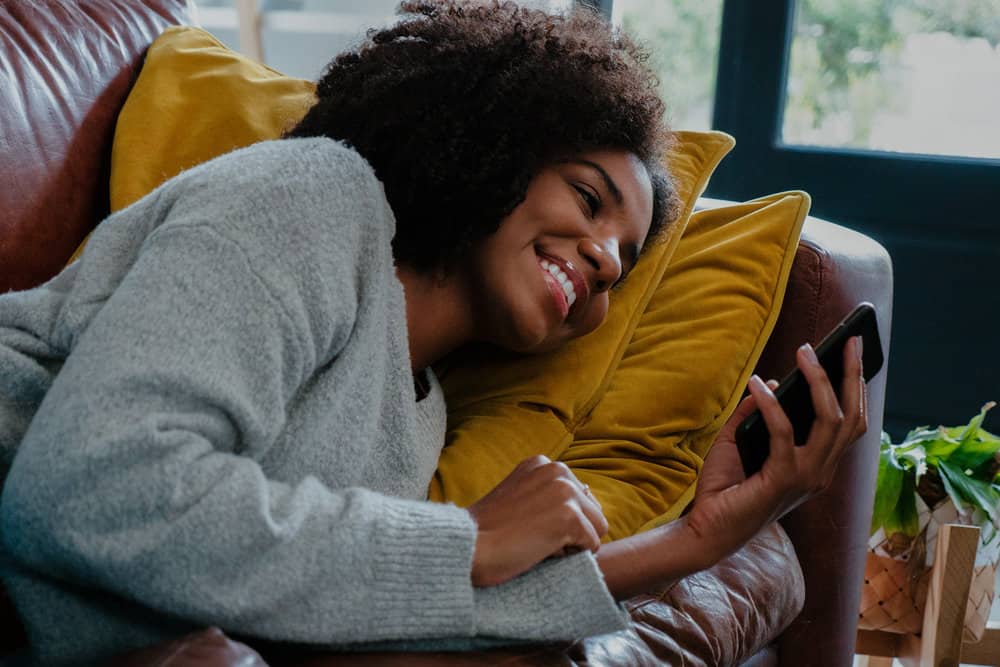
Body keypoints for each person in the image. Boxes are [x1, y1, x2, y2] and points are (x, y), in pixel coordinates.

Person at [0, 1, 867, 664]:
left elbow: (381, 586)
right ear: (494, 149)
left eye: (625, 260)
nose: (604, 258)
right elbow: (90, 491)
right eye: (589, 200)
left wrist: (696, 540)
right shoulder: (315, 197)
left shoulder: (421, 416)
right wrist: (473, 538)